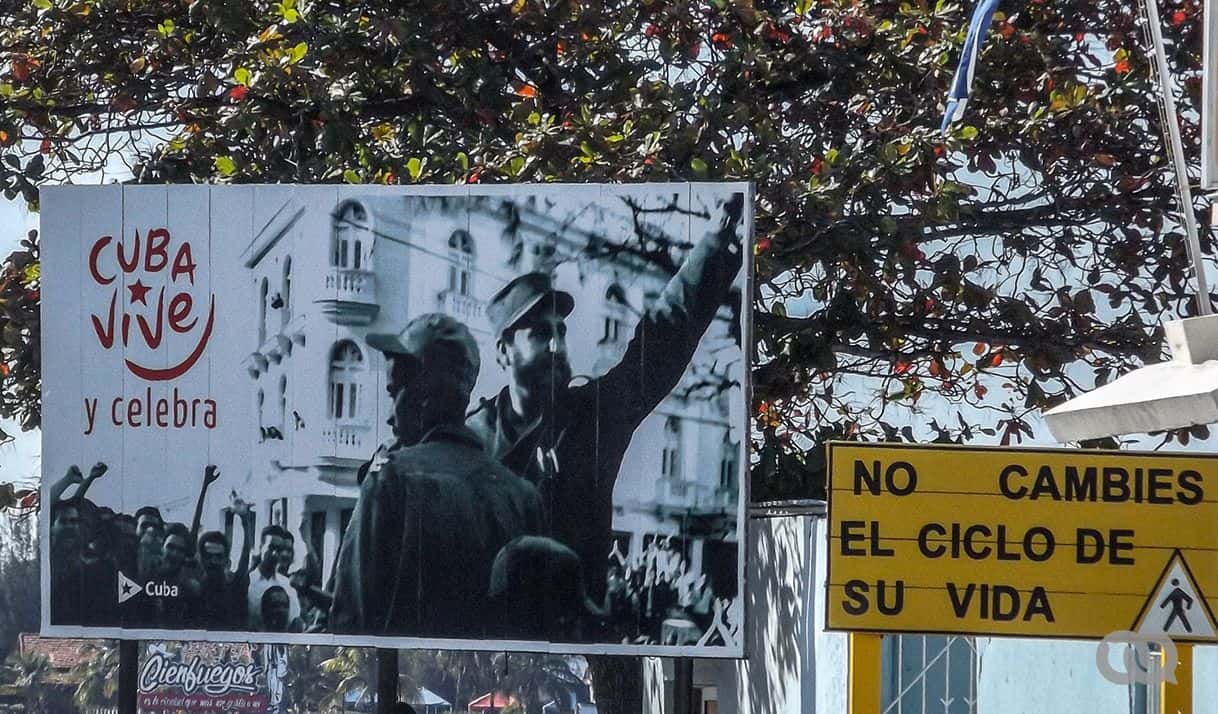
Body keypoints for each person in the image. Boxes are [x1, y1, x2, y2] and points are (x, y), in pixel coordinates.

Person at [467, 193, 744, 607]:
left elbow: (661, 340)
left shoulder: (592, 416)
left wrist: (714, 243)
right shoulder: (471, 439)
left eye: (561, 331)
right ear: (504, 351)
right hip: (484, 642)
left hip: (575, 632)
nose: (558, 346)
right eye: (541, 333)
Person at [330, 313, 544, 636]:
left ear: (424, 395)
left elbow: (351, 625)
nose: (390, 416)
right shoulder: (524, 497)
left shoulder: (390, 478)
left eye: (394, 393)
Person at [247, 525, 301, 630]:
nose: (275, 554)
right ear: (260, 547)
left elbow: (294, 621)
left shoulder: (286, 585)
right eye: (271, 547)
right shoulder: (247, 582)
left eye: (279, 549)